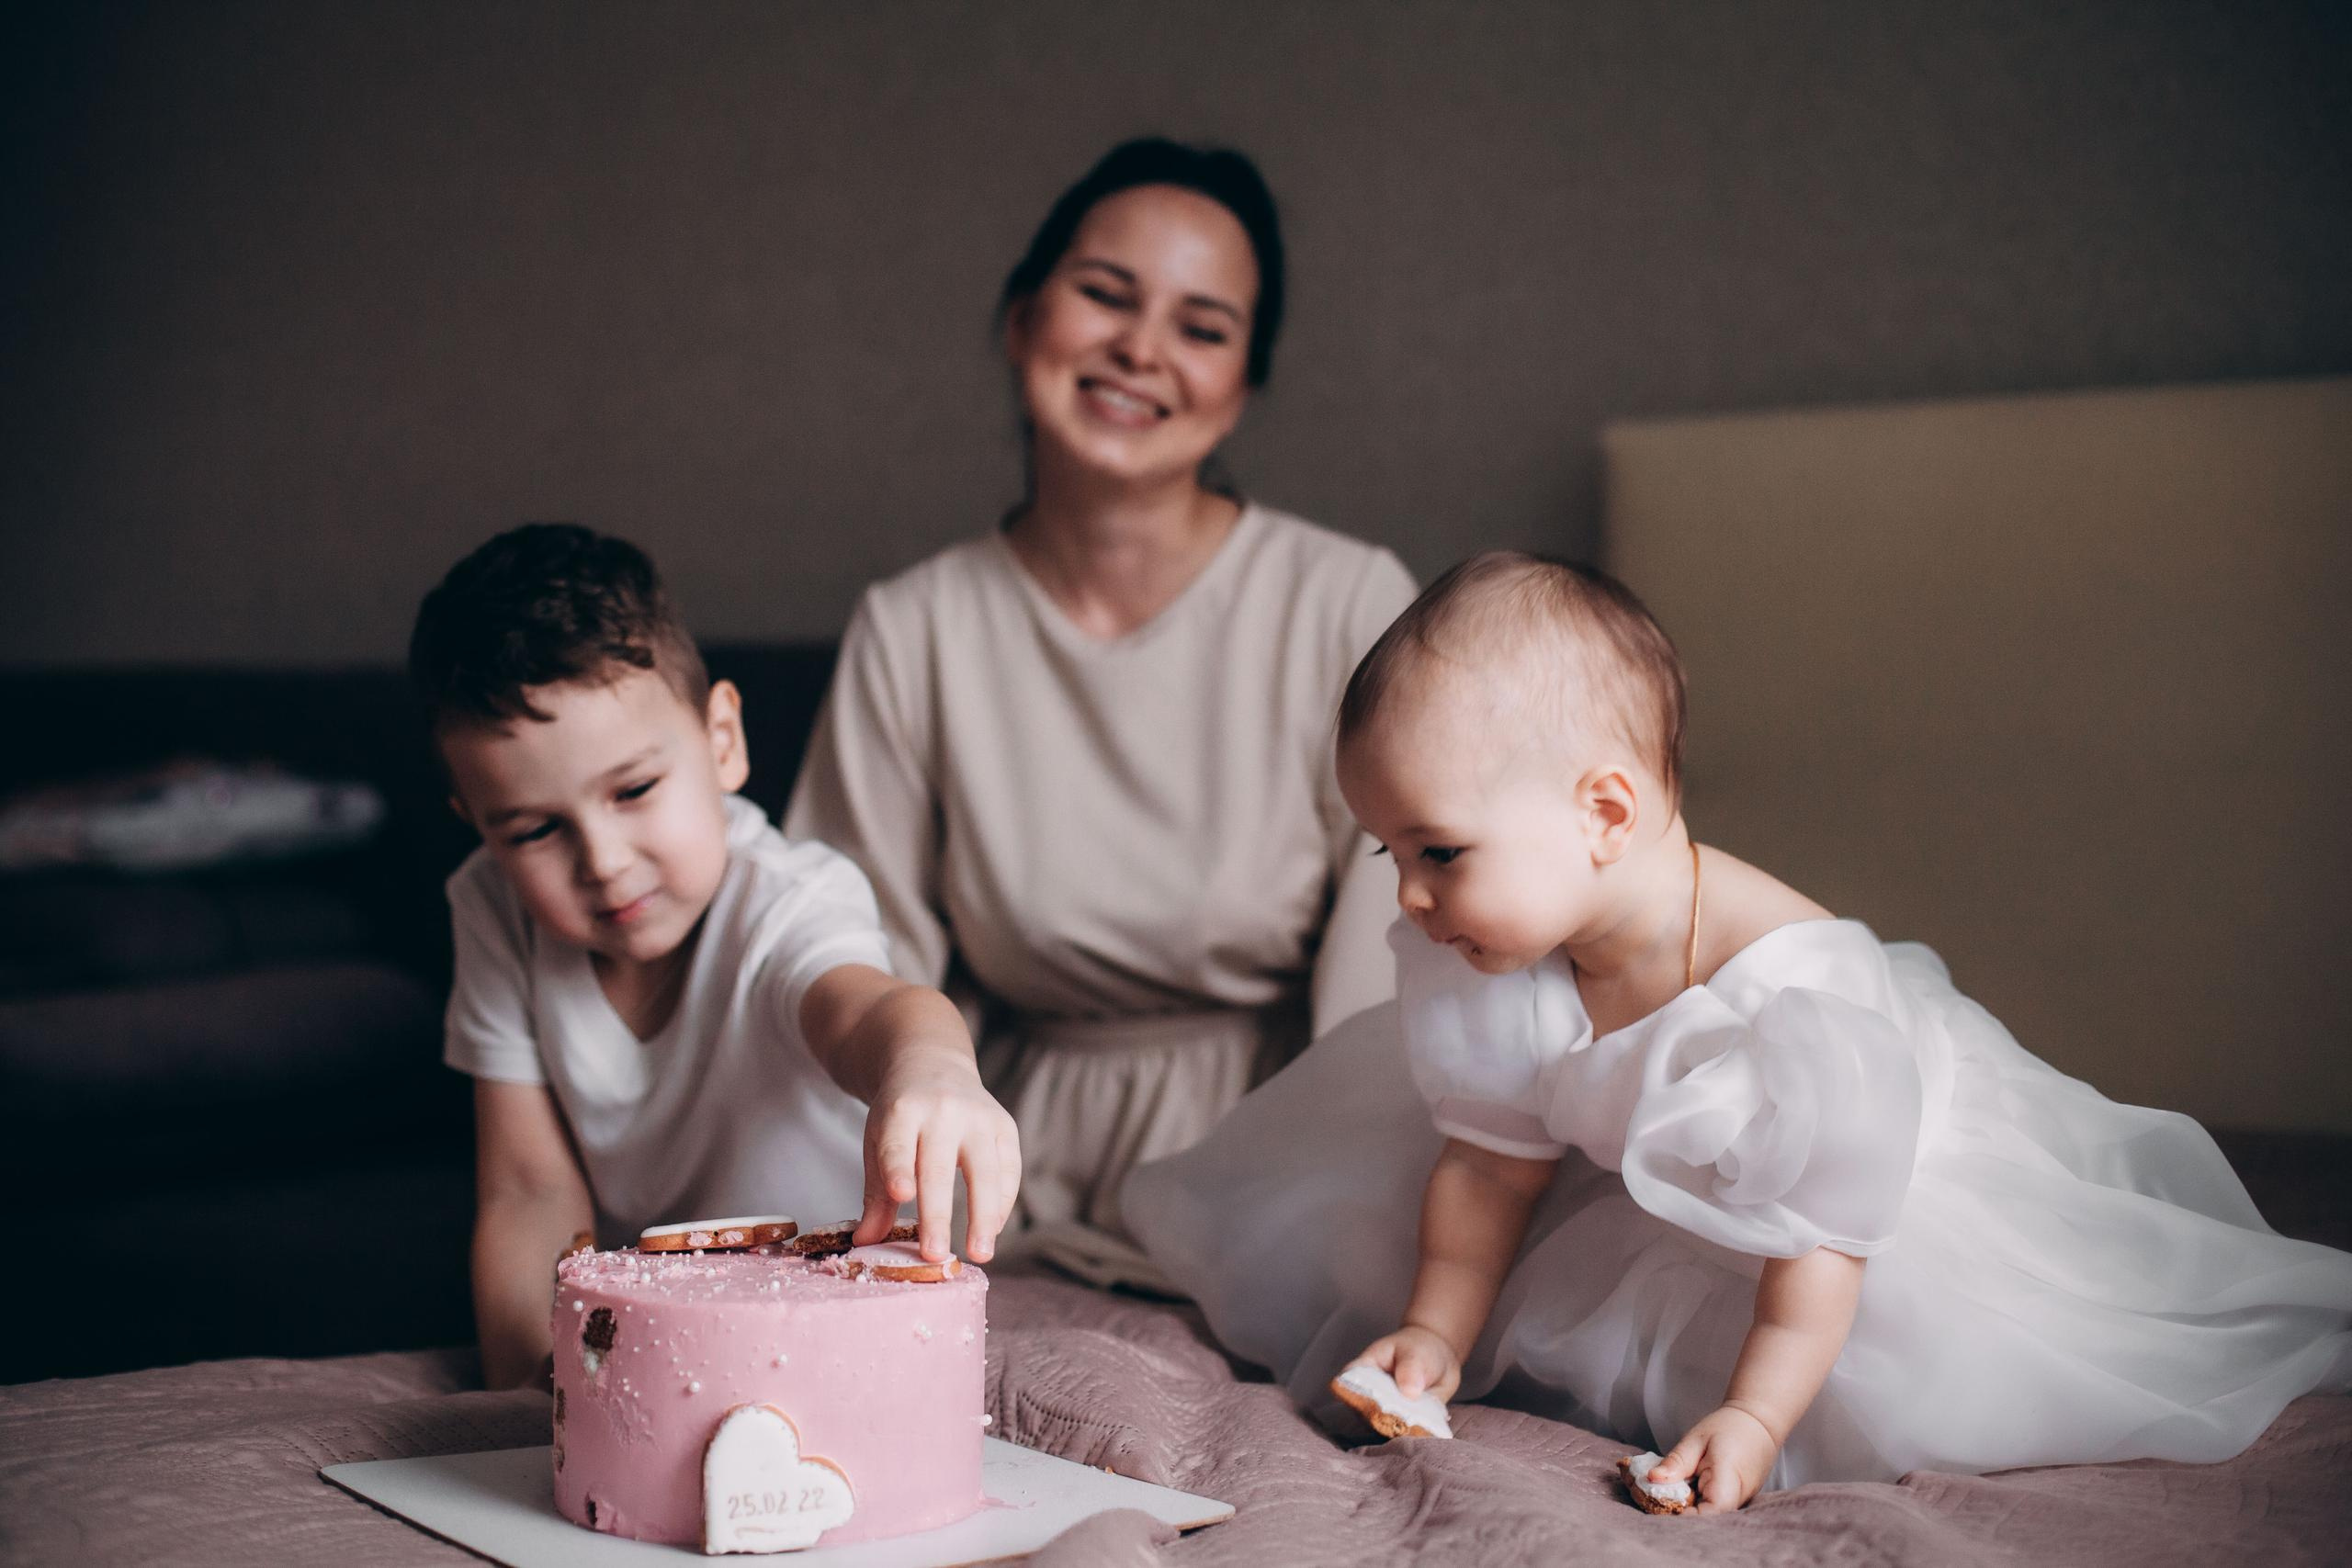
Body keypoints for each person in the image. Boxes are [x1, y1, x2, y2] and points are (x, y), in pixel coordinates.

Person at [1125, 551, 2352, 1507]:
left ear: (1604, 808)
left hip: (1857, 1213)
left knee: (1932, 1372)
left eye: (1437, 849)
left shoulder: (1792, 990)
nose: (1407, 896)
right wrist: (1436, 1330)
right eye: (1389, 853)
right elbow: (1492, 1165)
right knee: (1360, 1236)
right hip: (1648, 1181)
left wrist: (1757, 1416)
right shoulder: (1496, 953)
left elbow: (1820, 1244)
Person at [786, 139, 1416, 1287]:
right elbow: (842, 958)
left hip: (1285, 1160)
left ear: (1238, 392)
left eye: (1202, 326)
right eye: (1104, 295)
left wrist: (1336, 1219)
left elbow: (1396, 976)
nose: (1140, 349)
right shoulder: (913, 626)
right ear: (1024, 319)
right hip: (1005, 1173)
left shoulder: (1349, 601)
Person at [412, 524, 1018, 1390]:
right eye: (536, 829)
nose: (604, 860)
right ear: (477, 822)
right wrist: (531, 1392)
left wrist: (932, 1068)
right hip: (666, 1331)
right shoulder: (492, 906)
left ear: (722, 738)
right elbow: (529, 1192)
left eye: (635, 790)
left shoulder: (785, 897)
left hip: (835, 1314)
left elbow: (870, 1009)